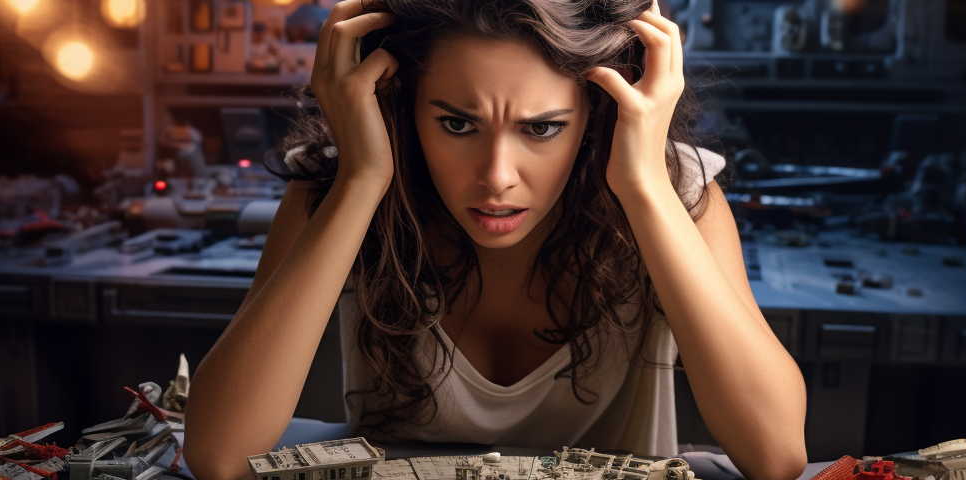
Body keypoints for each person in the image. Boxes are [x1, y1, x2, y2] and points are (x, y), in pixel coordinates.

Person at [183, 1, 808, 480]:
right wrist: (363, 178)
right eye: (457, 123)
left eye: (542, 127)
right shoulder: (339, 190)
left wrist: (644, 188)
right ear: (400, 107)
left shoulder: (676, 197)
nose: (497, 177)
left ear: (599, 115)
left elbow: (776, 455)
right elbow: (219, 456)